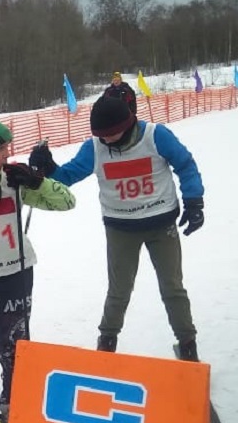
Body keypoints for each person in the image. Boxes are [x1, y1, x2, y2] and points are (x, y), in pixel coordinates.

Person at [30, 95, 205, 359]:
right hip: (120, 228)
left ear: (128, 123)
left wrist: (194, 200)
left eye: (111, 134)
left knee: (172, 287)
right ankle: (107, 343)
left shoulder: (156, 136)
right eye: (101, 135)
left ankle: (188, 344)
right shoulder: (95, 147)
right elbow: (67, 176)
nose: (106, 140)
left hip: (161, 224)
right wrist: (48, 166)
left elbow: (185, 165)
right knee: (119, 290)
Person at [0, 117, 75, 423]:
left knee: (15, 345)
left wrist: (38, 182)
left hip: (15, 274)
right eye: (2, 148)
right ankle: (20, 387)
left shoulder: (11, 179)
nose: (7, 153)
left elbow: (67, 202)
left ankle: (15, 405)